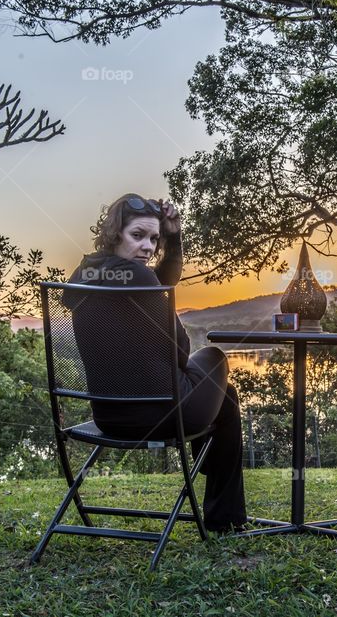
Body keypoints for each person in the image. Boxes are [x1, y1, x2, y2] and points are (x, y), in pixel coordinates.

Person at [64, 192, 247, 533]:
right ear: (115, 233)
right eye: (138, 236)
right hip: (161, 416)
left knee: (226, 397)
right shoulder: (138, 278)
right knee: (214, 358)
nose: (148, 247)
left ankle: (223, 500)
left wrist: (173, 240)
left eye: (154, 239)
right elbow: (181, 353)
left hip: (108, 417)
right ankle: (224, 514)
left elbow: (156, 281)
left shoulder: (84, 274)